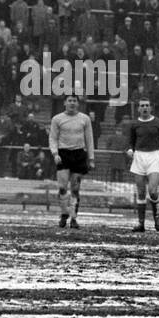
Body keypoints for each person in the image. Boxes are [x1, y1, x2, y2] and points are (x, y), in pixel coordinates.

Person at [127, 96, 159, 233]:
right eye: (142, 106)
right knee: (141, 191)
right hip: (139, 157)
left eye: (147, 105)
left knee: (153, 190)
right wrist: (130, 150)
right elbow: (130, 141)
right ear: (138, 108)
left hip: (154, 156)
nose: (144, 108)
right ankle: (141, 223)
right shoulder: (134, 124)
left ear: (151, 107)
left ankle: (156, 217)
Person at [48, 93, 96, 230]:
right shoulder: (57, 119)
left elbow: (89, 139)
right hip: (63, 154)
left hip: (79, 154)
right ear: (64, 103)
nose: (72, 103)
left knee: (75, 188)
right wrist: (55, 153)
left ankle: (74, 218)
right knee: (62, 187)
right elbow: (52, 138)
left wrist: (91, 158)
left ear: (78, 103)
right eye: (69, 100)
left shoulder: (84, 119)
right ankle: (64, 213)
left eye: (74, 101)